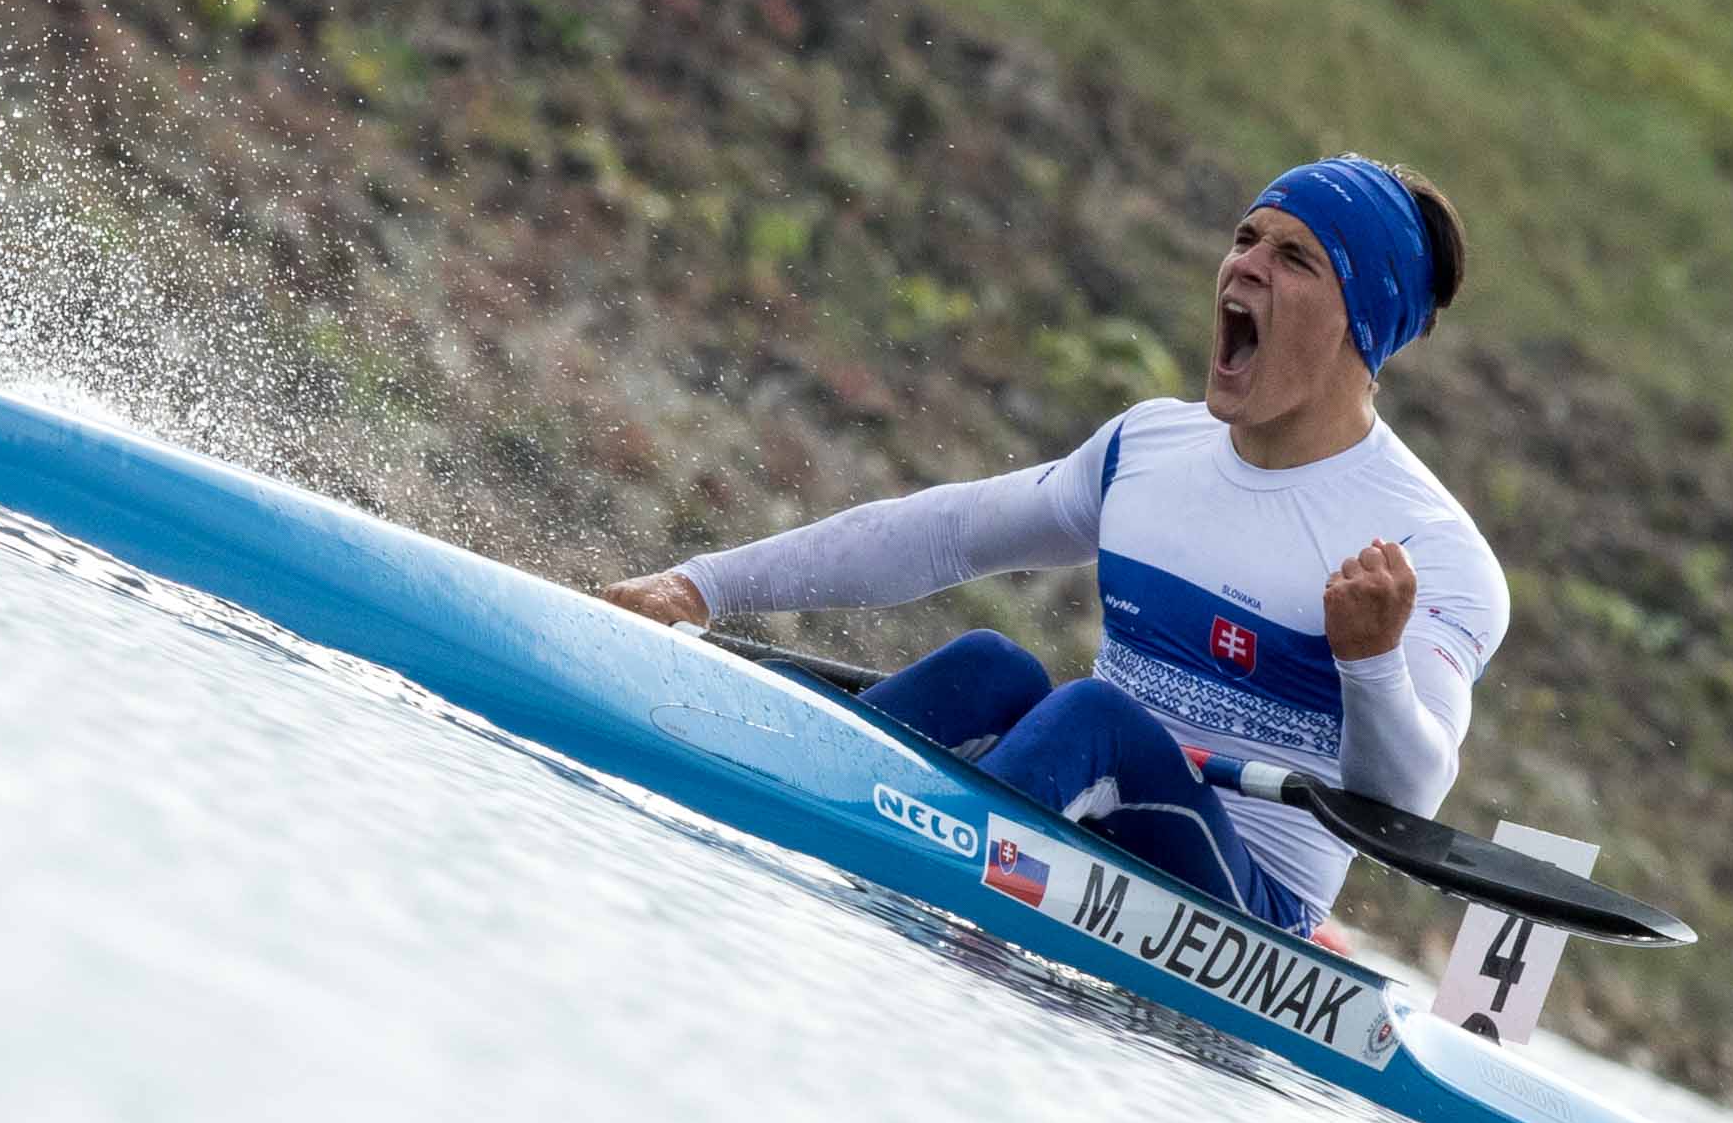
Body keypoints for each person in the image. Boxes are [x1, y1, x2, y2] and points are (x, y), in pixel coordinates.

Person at [602, 155, 1506, 940]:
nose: (1246, 265)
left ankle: (882, 880)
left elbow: (1409, 801)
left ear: (1359, 323)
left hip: (1245, 908)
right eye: (1246, 238)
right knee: (990, 668)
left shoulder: (1428, 548)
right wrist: (699, 587)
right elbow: (940, 533)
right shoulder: (1148, 448)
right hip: (1073, 823)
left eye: (1295, 257)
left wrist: (1371, 661)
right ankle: (722, 759)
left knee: (1094, 720)